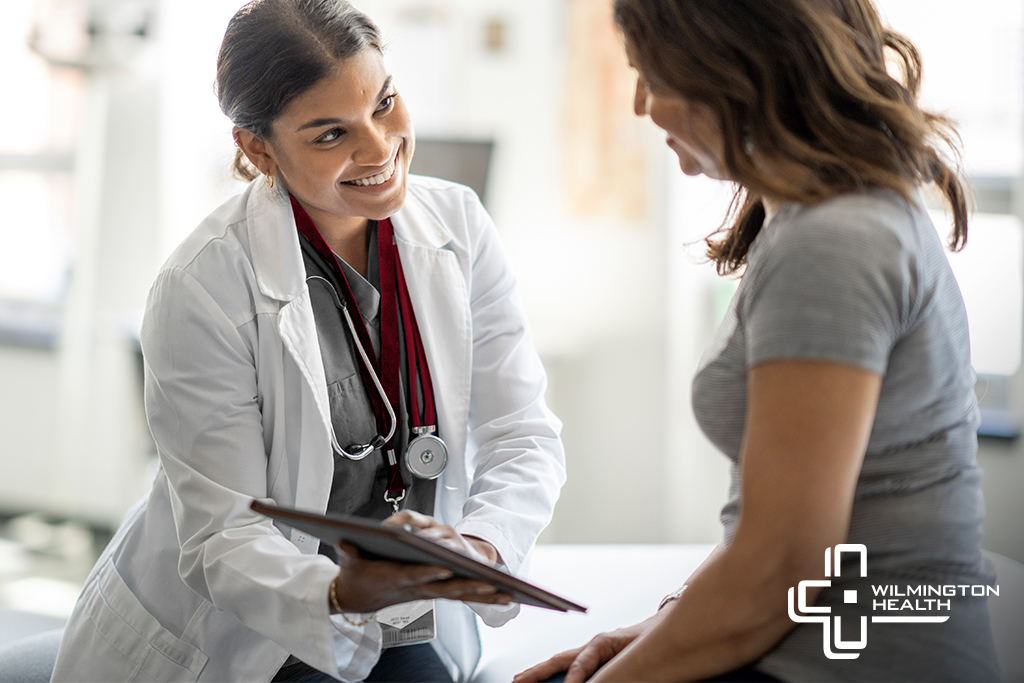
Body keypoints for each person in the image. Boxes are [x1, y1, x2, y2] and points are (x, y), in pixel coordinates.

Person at [50, 1, 565, 681]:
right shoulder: (203, 286)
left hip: (408, 622)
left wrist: (478, 549)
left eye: (385, 103)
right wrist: (343, 591)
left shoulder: (460, 226)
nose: (380, 149)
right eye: (331, 134)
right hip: (248, 634)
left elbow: (521, 434)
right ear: (258, 147)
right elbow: (223, 536)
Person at [517, 0, 1000, 681]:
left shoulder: (833, 241)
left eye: (650, 76)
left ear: (726, 64)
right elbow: (767, 531)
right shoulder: (814, 218)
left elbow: (780, 569)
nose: (639, 105)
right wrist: (655, 631)